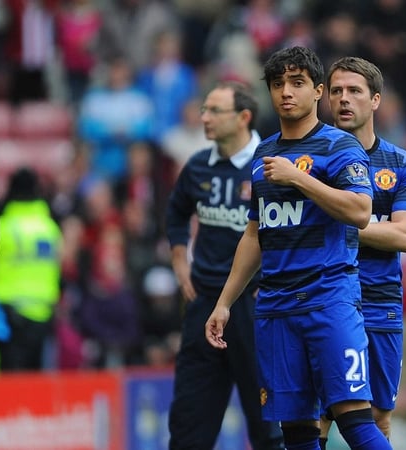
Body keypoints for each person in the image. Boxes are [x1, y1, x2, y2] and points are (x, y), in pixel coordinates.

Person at [205, 46, 393, 450]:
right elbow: (255, 233)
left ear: (317, 91)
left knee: (356, 422)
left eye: (296, 83)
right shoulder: (263, 153)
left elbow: (361, 211)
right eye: (277, 84)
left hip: (329, 301)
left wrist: (300, 179)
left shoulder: (340, 147)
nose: (286, 93)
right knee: (296, 435)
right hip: (275, 309)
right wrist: (223, 302)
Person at [165, 81, 284, 449]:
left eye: (214, 111)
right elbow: (175, 214)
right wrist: (180, 262)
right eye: (204, 109)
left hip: (255, 305)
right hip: (203, 303)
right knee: (188, 424)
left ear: (244, 117)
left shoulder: (272, 166)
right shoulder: (198, 166)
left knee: (268, 424)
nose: (204, 118)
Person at [319, 57, 406, 447]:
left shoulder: (401, 164)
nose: (344, 100)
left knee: (377, 420)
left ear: (375, 100)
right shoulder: (311, 161)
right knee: (315, 422)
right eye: (336, 91)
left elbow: (405, 237)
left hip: (380, 303)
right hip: (322, 299)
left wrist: (342, 220)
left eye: (354, 91)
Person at [0, 167, 63, 371]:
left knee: (10, 371)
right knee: (35, 373)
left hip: (8, 309)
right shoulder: (50, 228)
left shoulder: (4, 227)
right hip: (44, 311)